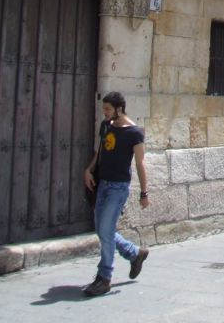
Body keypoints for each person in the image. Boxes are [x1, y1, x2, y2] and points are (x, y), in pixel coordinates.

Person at [82, 91, 150, 297]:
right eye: (104, 108)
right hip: (102, 184)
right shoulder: (106, 126)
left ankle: (104, 278)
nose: (105, 112)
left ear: (119, 109)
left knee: (105, 230)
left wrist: (144, 193)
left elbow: (140, 163)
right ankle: (134, 253)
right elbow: (100, 152)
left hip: (118, 188)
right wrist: (89, 170)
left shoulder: (134, 132)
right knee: (102, 230)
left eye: (108, 109)